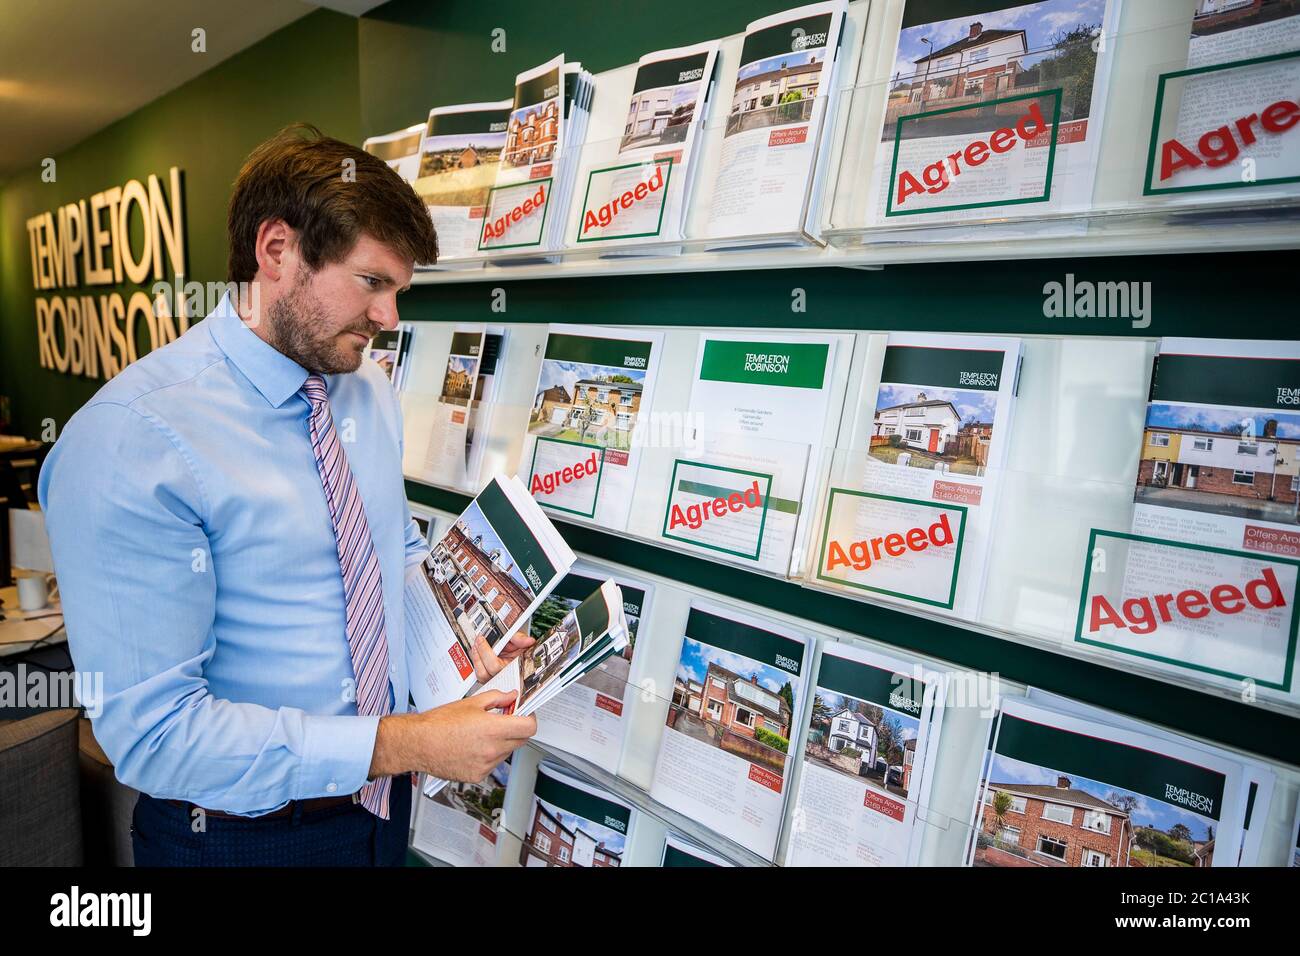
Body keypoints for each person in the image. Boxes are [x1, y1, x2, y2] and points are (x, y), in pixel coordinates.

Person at [38, 125, 538, 866]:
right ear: (277, 252)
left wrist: (464, 647)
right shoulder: (129, 440)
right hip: (241, 838)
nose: (389, 319)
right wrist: (408, 743)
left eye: (399, 291)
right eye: (373, 282)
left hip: (380, 809)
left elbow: (389, 555)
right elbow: (157, 737)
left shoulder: (364, 388)